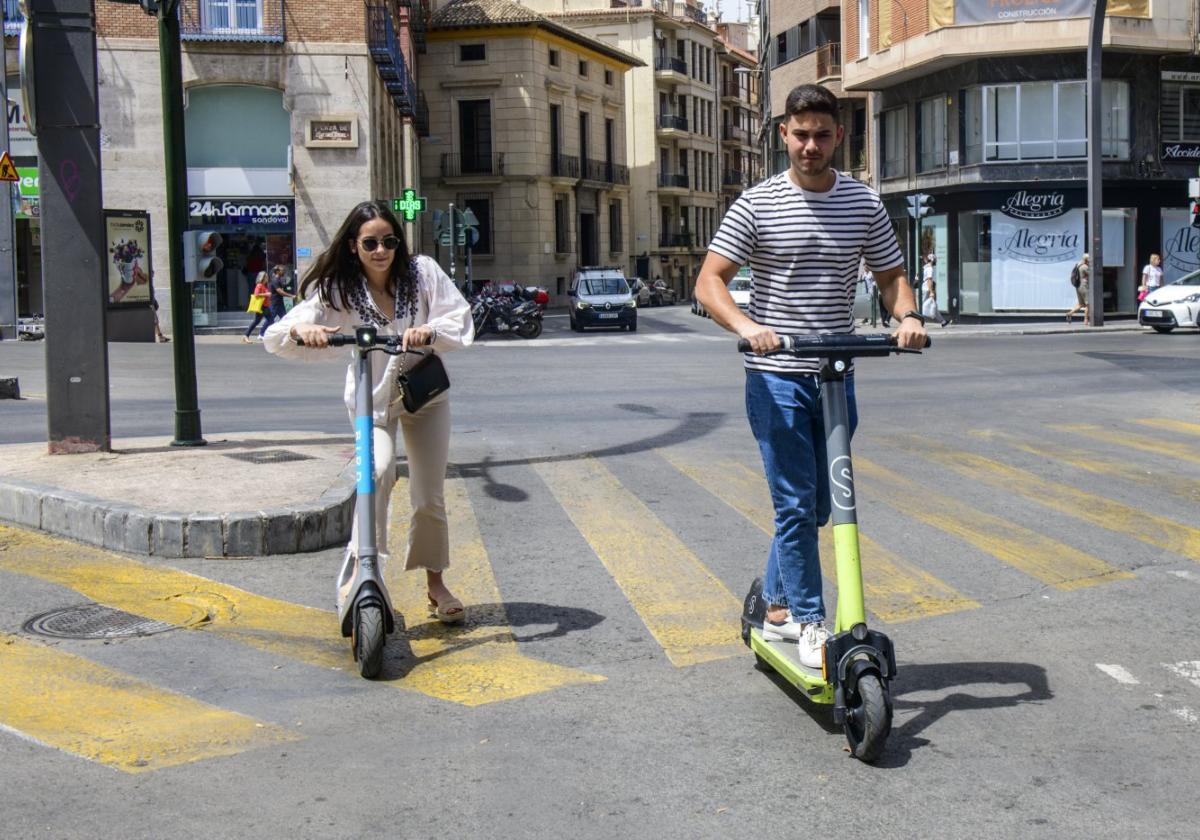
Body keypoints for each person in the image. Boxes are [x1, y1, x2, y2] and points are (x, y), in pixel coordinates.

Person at [694, 83, 926, 669]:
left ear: (838, 137)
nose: (811, 146)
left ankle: (773, 600)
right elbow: (709, 281)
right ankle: (807, 618)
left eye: (822, 135)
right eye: (801, 135)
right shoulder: (757, 203)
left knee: (822, 506)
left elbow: (891, 276)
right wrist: (747, 327)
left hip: (835, 374)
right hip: (776, 373)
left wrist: (909, 315)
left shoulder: (862, 204)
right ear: (783, 136)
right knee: (796, 504)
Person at [263, 200, 475, 622]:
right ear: (353, 246)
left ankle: (435, 584)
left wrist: (429, 330)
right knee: (376, 475)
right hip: (370, 401)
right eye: (371, 242)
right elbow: (280, 333)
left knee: (428, 494)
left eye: (389, 241)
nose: (381, 250)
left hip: (424, 395)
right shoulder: (340, 288)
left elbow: (460, 320)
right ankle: (364, 572)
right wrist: (302, 329)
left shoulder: (423, 273)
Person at [242, 272, 275, 342]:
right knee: (264, 321)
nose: (267, 278)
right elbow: (256, 294)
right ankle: (246, 335)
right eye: (266, 277)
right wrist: (266, 294)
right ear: (262, 278)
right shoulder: (259, 285)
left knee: (268, 321)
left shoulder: (264, 285)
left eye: (267, 277)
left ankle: (247, 335)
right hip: (261, 306)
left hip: (265, 306)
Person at [921, 254, 950, 327]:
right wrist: (931, 291)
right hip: (927, 289)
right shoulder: (930, 268)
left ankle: (943, 321)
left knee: (933, 305)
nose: (936, 261)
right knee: (923, 307)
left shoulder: (925, 267)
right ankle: (919, 322)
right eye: (935, 260)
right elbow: (929, 280)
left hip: (926, 288)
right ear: (933, 260)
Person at [1067, 252, 1090, 325]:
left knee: (1081, 304)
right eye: (1089, 259)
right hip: (1084, 286)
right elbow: (1092, 274)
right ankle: (1086, 320)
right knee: (1088, 304)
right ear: (1087, 260)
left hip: (1078, 286)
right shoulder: (1085, 267)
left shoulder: (1078, 264)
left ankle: (1069, 313)